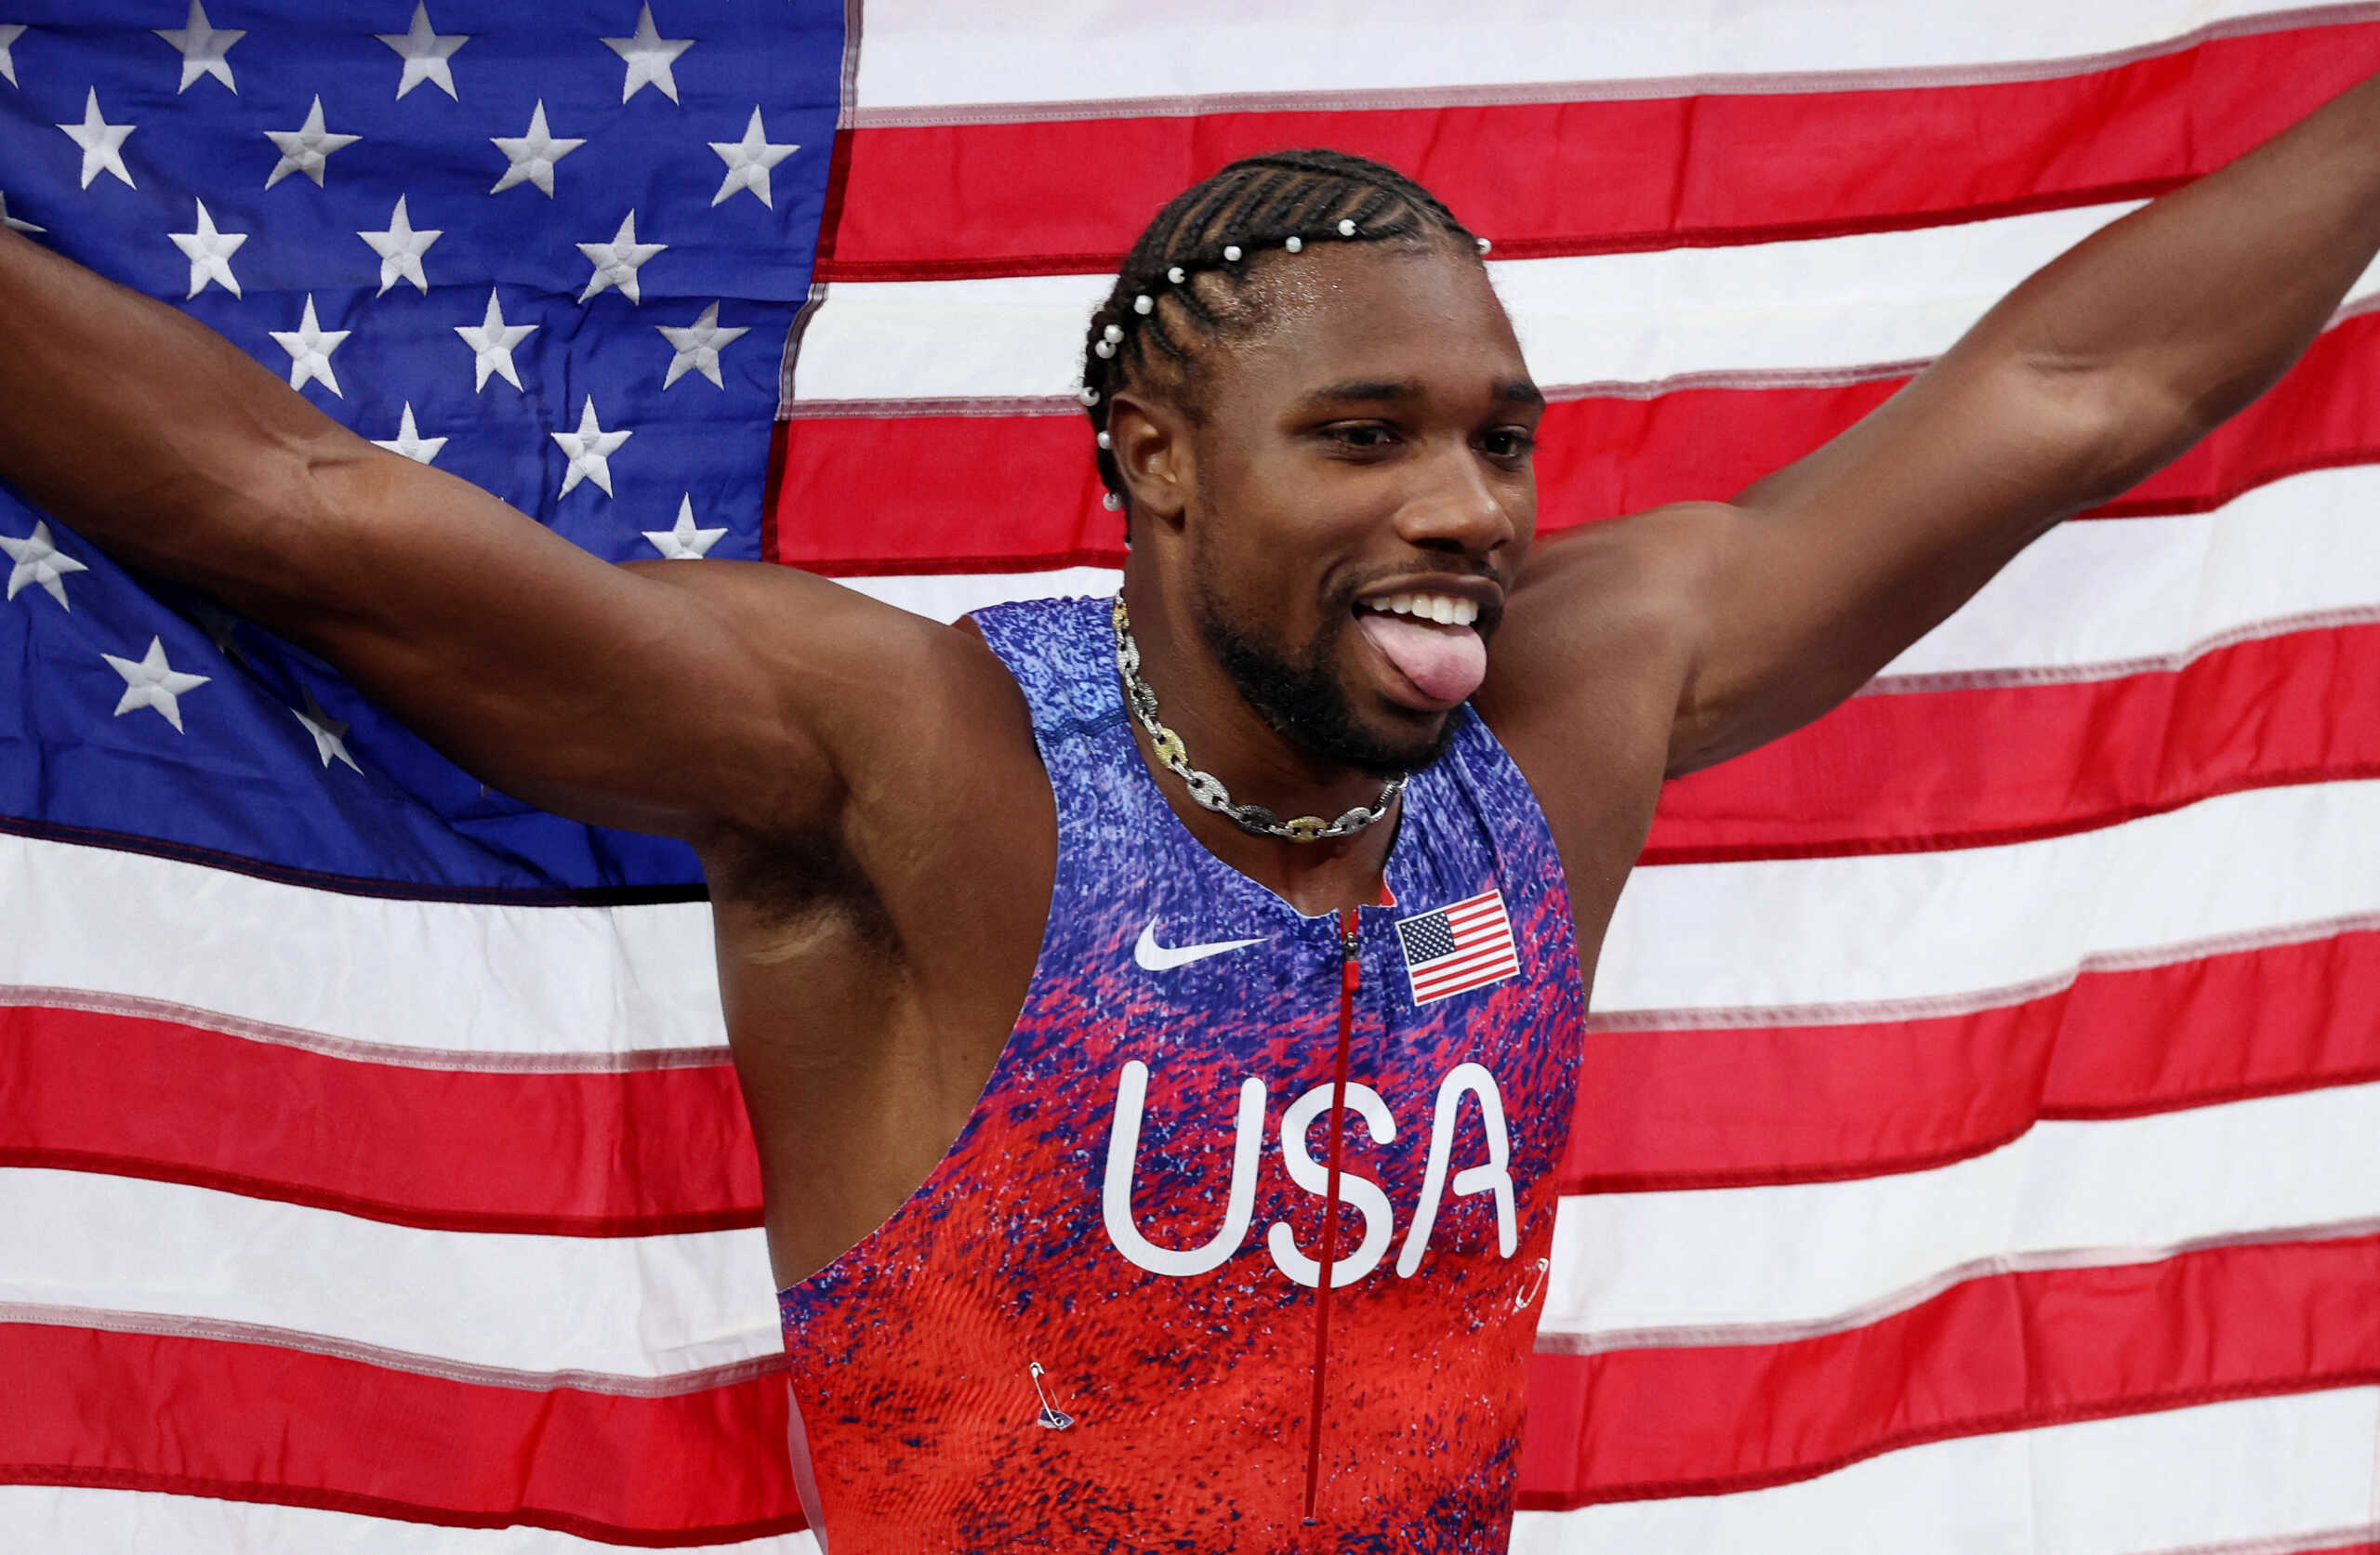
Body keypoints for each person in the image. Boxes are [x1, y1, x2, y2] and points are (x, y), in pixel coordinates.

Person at [4, 68, 2378, 1548]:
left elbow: (2081, 381)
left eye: (1496, 437)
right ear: (1147, 464)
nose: (1465, 504)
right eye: (1363, 438)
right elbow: (294, 505)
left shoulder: (1568, 715)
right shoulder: (908, 762)